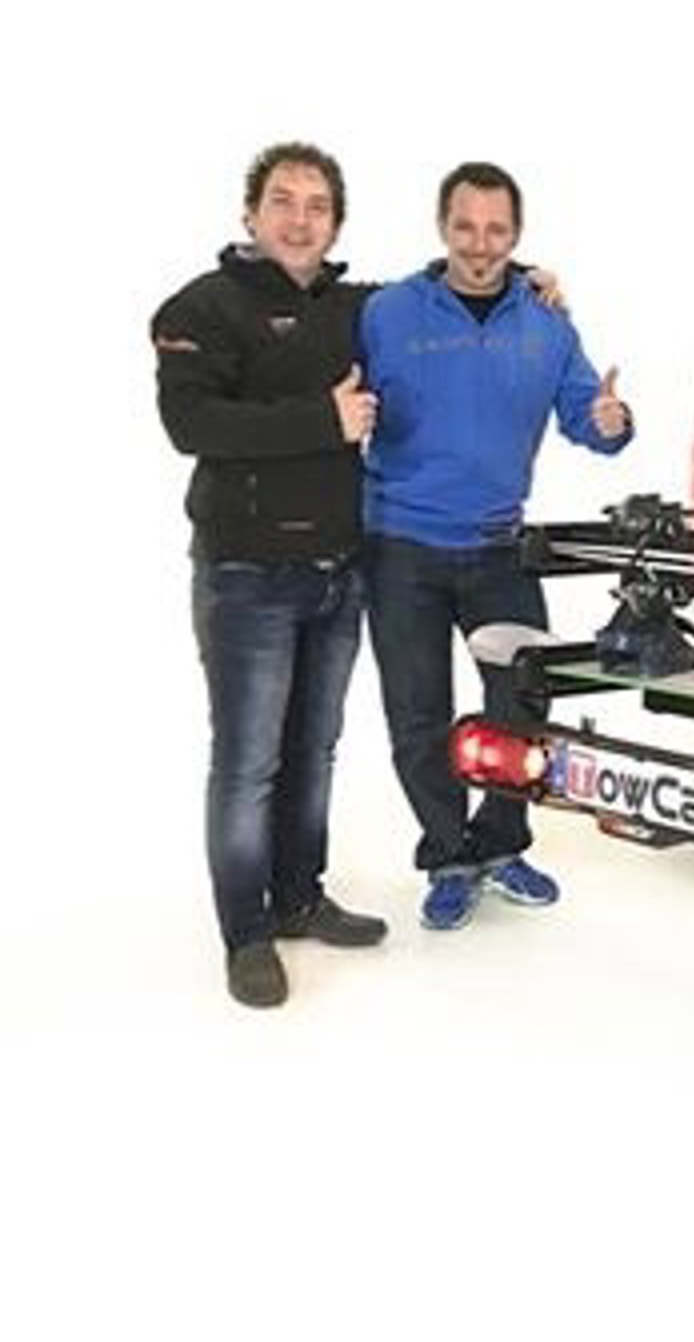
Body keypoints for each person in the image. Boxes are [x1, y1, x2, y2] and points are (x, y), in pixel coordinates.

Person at [358, 161, 633, 931]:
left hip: (499, 550)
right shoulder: (384, 313)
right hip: (400, 549)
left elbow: (587, 415)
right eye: (466, 227)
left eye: (497, 230)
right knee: (419, 717)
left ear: (517, 235)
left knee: (520, 704)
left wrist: (611, 422)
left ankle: (501, 843)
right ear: (441, 227)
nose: (480, 245)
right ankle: (449, 857)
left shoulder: (548, 324)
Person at [154, 142, 389, 1009]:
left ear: (337, 223)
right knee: (249, 762)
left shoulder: (358, 308)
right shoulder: (201, 306)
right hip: (246, 575)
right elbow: (192, 424)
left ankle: (298, 897)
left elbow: (444, 292)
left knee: (313, 750)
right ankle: (247, 935)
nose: (299, 219)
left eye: (318, 206)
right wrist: (323, 420)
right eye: (283, 201)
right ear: (250, 213)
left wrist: (526, 280)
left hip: (339, 571)